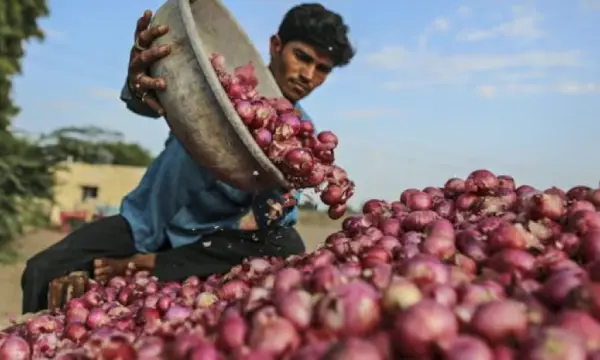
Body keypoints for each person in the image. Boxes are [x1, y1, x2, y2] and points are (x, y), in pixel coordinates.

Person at [21, 3, 355, 314]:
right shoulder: (219, 84)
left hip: (205, 241)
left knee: (287, 242)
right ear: (275, 45)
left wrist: (281, 184)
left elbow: (276, 221)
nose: (308, 75)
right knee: (41, 270)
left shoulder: (302, 138)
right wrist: (140, 81)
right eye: (302, 57)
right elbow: (153, 98)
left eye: (322, 69)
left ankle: (151, 264)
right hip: (144, 222)